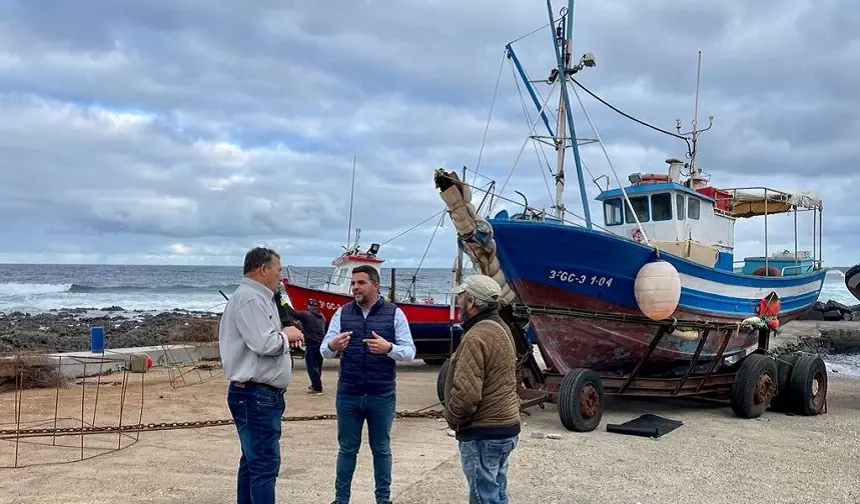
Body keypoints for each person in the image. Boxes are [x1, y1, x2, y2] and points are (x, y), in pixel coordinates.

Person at [321, 264, 416, 504]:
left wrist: (389, 348)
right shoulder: (342, 313)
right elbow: (324, 350)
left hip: (381, 395)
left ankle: (383, 500)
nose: (355, 288)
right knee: (346, 450)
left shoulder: (395, 313)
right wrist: (333, 346)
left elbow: (410, 351)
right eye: (353, 283)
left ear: (375, 285)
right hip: (349, 394)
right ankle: (341, 500)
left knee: (381, 450)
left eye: (360, 283)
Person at [218, 247, 305, 504]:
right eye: (278, 270)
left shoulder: (259, 298)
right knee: (264, 467)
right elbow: (263, 344)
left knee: (252, 463)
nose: (281, 276)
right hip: (256, 394)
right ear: (263, 269)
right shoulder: (251, 299)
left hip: (256, 394)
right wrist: (287, 336)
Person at [442, 274, 521, 504]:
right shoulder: (502, 328)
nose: (459, 303)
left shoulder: (476, 336)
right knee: (497, 493)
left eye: (462, 298)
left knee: (483, 498)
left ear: (472, 303)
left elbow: (466, 395)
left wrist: (454, 419)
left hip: (483, 431)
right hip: (505, 426)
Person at [293, 298, 327, 394]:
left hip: (312, 344)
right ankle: (315, 384)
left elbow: (292, 313)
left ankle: (317, 388)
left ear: (308, 306)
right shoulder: (322, 316)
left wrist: (282, 302)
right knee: (318, 366)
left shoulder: (306, 315)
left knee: (311, 366)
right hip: (320, 344)